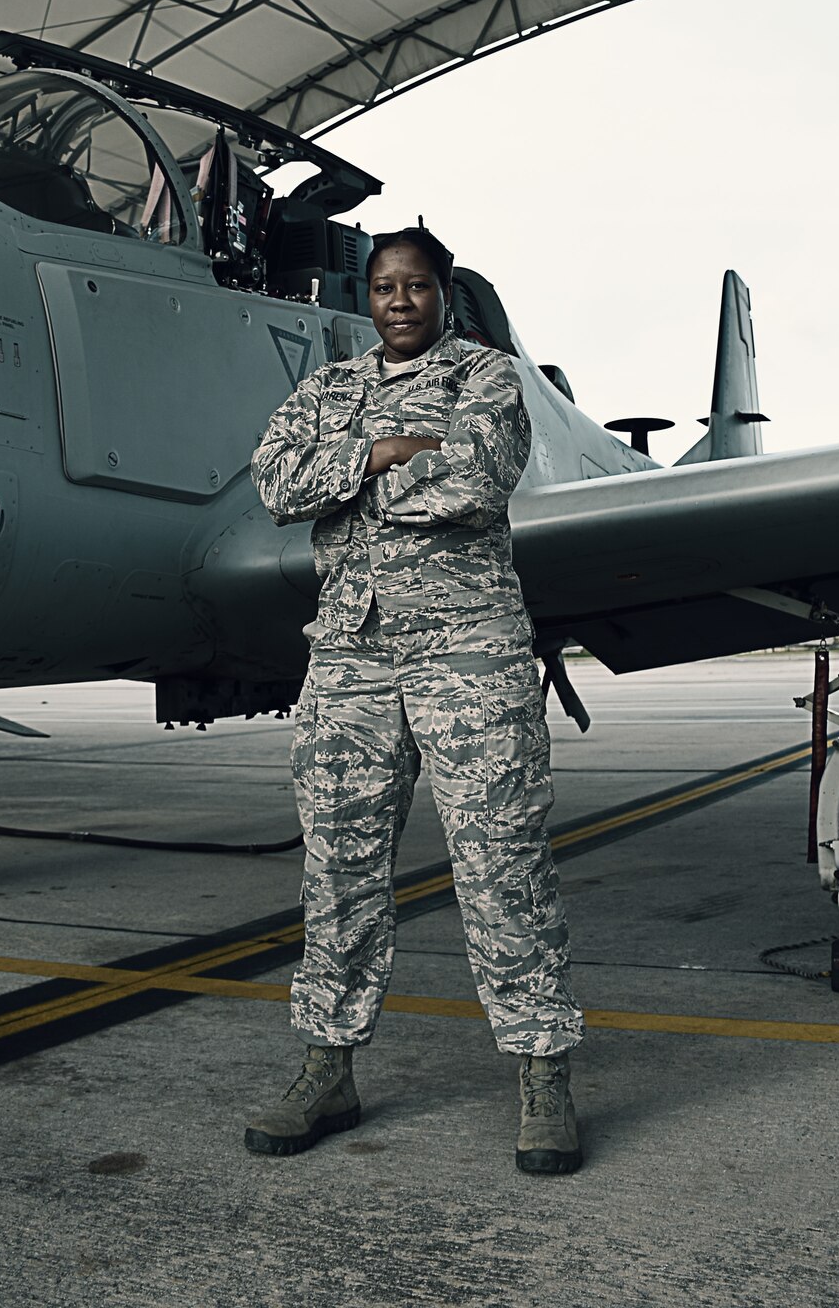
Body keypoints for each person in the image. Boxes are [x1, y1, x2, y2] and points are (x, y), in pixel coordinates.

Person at [245, 225, 583, 1174]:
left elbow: (475, 482)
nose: (399, 302)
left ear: (442, 294)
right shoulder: (329, 387)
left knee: (500, 859)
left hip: (466, 650)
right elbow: (271, 480)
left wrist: (353, 472)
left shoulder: (486, 378)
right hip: (349, 654)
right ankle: (328, 1068)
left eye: (417, 287)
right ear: (369, 296)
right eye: (384, 287)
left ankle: (542, 1073)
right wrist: (382, 451)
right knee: (338, 869)